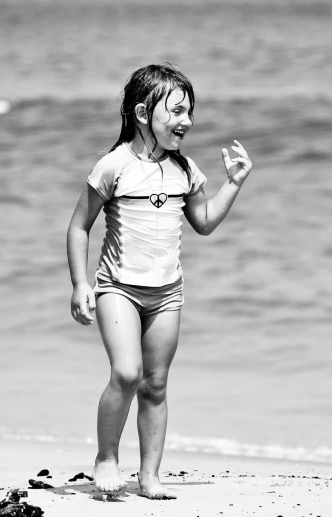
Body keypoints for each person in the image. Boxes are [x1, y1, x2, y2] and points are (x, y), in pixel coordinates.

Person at [66, 63, 253, 500]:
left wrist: (233, 184)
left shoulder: (185, 170)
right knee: (127, 373)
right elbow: (79, 227)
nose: (187, 120)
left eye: (190, 111)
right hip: (118, 289)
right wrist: (80, 284)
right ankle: (107, 458)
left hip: (168, 294)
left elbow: (203, 222)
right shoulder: (113, 166)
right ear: (143, 113)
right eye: (177, 111)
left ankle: (149, 476)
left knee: (156, 384)